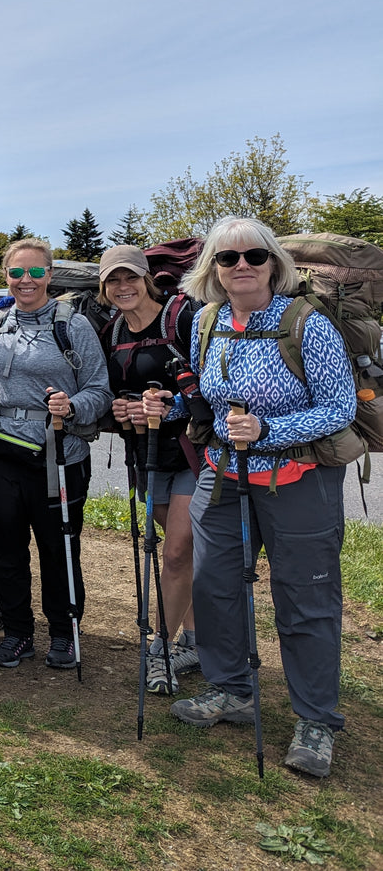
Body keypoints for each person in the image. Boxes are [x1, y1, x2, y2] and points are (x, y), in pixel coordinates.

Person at [143, 216, 354, 778]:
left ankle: (315, 719)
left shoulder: (305, 323)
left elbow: (339, 408)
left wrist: (268, 431)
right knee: (215, 589)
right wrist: (173, 406)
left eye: (254, 257)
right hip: (223, 475)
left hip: (298, 479)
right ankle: (231, 690)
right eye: (227, 258)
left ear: (273, 264)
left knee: (304, 598)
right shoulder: (207, 321)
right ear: (212, 267)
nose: (241, 266)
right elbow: (208, 403)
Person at [0, 238, 111, 670]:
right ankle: (17, 633)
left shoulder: (74, 326)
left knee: (58, 546)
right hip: (1, 449)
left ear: (49, 275)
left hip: (58, 453)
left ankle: (64, 633)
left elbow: (100, 391)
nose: (25, 281)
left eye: (34, 272)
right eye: (16, 273)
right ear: (5, 277)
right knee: (3, 547)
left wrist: (72, 406)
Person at [97, 244, 200, 694]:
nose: (123, 287)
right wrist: (121, 408)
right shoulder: (113, 331)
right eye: (113, 281)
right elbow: (113, 394)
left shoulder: (181, 319)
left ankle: (160, 649)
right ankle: (197, 640)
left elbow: (210, 385)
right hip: (146, 456)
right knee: (182, 556)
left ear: (148, 279)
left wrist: (169, 407)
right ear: (104, 289)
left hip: (194, 452)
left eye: (130, 278)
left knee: (175, 552)